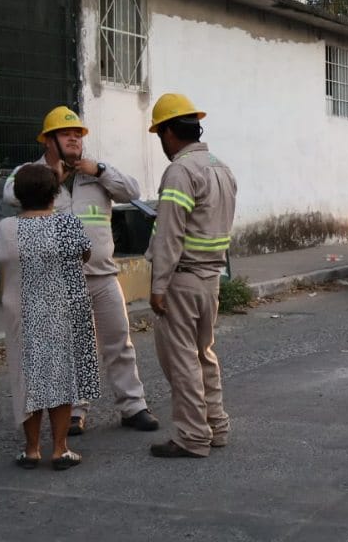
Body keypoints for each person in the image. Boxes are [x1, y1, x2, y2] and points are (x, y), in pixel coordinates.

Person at [3, 106, 159, 436]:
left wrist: (100, 169)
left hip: (103, 275)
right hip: (58, 280)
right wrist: (51, 179)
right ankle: (74, 412)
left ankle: (134, 406)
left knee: (119, 341)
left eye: (78, 134)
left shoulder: (96, 173)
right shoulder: (31, 174)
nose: (74, 138)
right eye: (66, 133)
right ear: (48, 140)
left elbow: (131, 191)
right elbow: (9, 193)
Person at [145, 93, 237, 458]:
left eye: (160, 135)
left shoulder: (180, 171)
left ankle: (192, 436)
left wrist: (158, 285)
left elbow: (169, 234)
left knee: (181, 361)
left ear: (169, 132)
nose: (161, 144)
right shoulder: (221, 168)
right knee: (203, 355)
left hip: (182, 279)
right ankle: (216, 426)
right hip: (210, 277)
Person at [0, 163, 100, 470]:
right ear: (55, 193)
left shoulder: (6, 228)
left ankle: (31, 449)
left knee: (28, 375)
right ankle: (59, 449)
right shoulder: (68, 224)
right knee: (62, 377)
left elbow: (1, 261)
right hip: (63, 308)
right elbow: (84, 256)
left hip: (22, 312)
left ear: (18, 195)